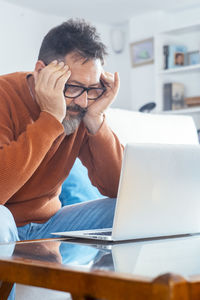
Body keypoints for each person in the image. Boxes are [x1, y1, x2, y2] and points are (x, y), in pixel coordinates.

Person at [0, 18, 123, 245]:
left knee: (128, 209)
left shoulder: (82, 110)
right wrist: (50, 118)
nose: (84, 101)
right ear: (41, 72)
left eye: (92, 88)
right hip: (6, 222)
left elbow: (118, 187)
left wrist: (97, 121)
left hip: (50, 223)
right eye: (73, 86)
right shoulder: (4, 95)